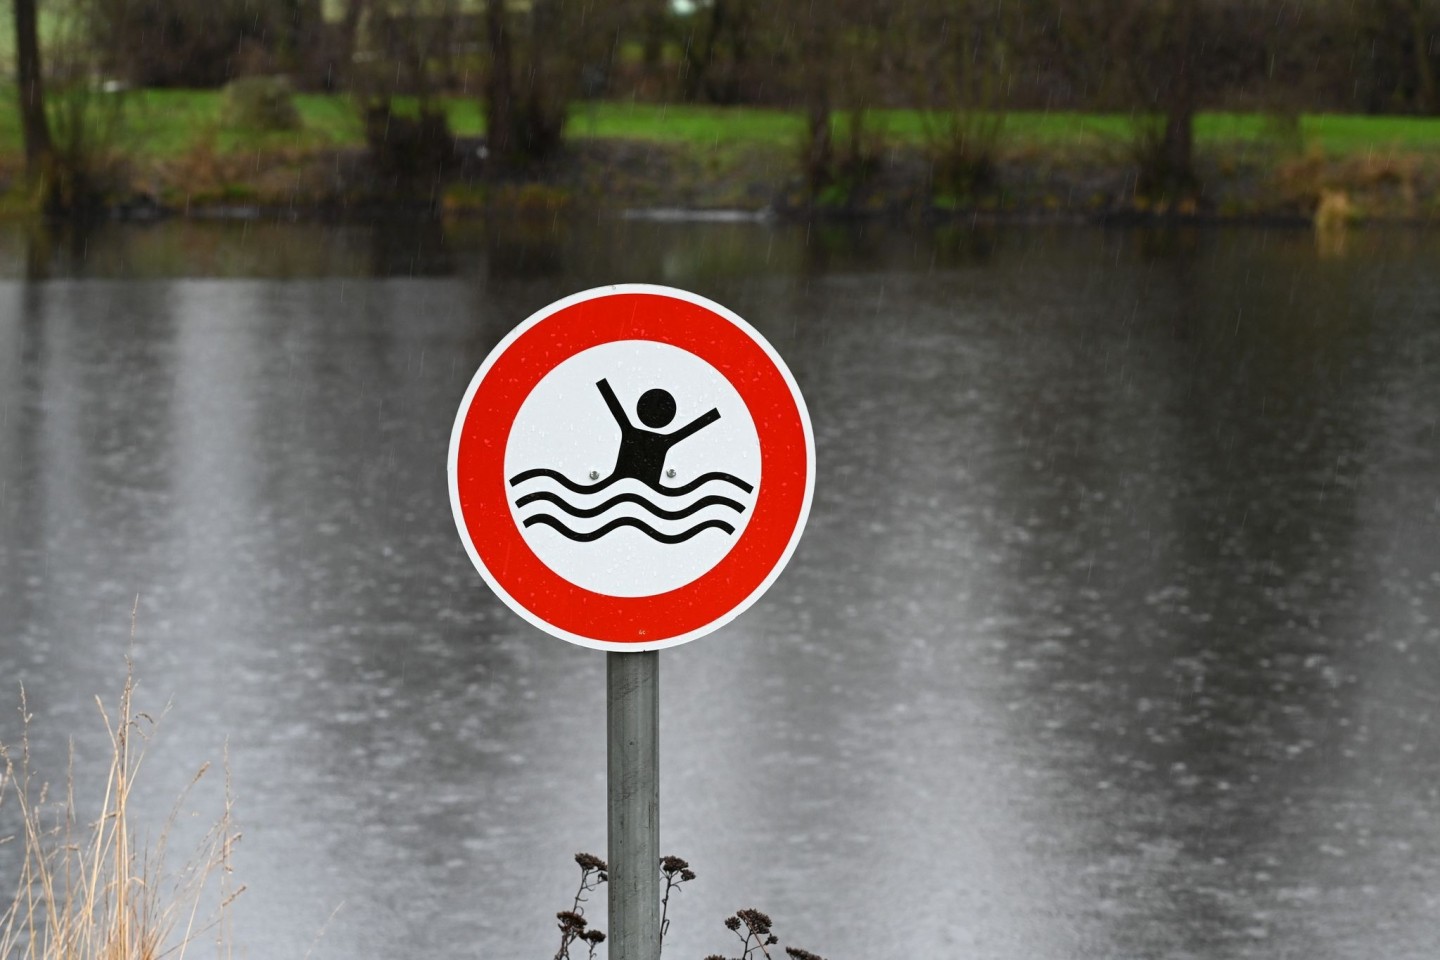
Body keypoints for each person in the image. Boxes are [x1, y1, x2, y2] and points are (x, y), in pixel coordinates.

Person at [597, 378, 719, 486]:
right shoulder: (663, 440)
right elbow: (692, 428)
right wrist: (714, 414)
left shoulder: (632, 432)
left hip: (617, 488)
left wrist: (602, 384)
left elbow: (616, 409)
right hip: (650, 495)